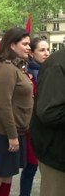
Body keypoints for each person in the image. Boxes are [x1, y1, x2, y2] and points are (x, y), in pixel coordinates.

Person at [0, 27, 32, 196]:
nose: (28, 47)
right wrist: (12, 136)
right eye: (25, 44)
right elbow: (3, 105)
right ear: (12, 45)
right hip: (4, 134)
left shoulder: (14, 67)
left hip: (15, 131)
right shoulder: (6, 68)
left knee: (7, 175)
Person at [30, 41, 65, 195]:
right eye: (41, 50)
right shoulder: (57, 64)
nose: (45, 53)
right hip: (57, 156)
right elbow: (49, 112)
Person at [19, 37, 50, 196]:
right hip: (32, 127)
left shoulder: (51, 70)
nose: (46, 53)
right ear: (32, 53)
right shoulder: (27, 74)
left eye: (48, 50)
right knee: (31, 167)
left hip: (49, 128)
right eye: (42, 50)